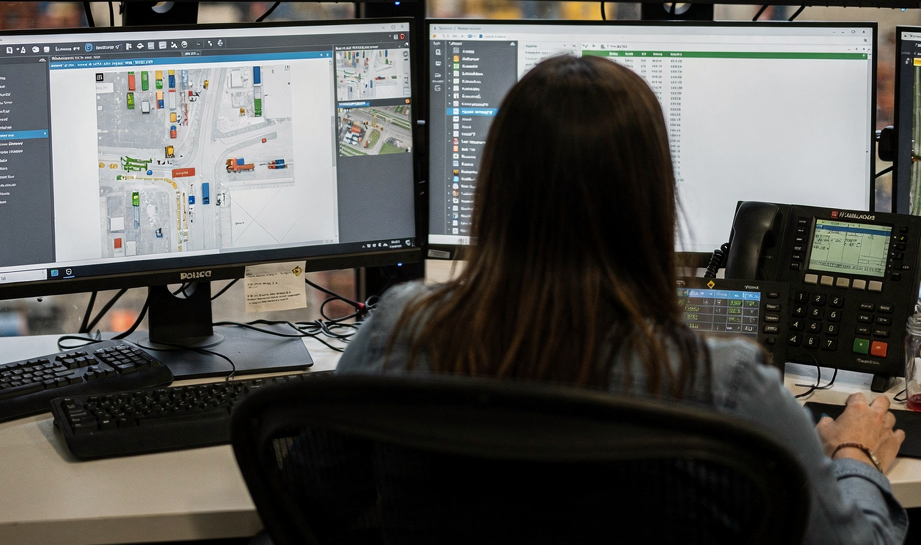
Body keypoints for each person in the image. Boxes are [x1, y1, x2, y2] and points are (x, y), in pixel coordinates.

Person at [338, 53, 907, 545]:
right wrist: (855, 454)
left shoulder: (400, 329)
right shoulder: (725, 384)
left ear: (493, 190)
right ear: (652, 200)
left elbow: (311, 492)